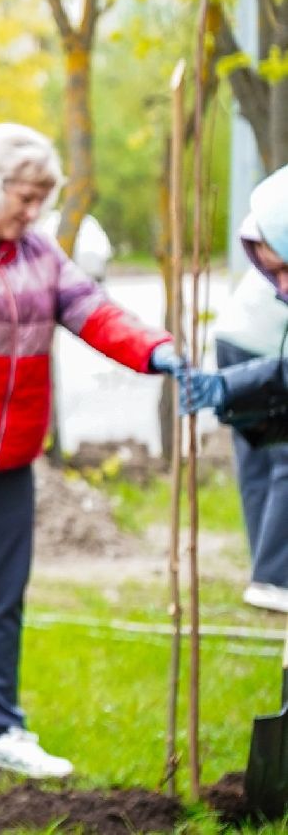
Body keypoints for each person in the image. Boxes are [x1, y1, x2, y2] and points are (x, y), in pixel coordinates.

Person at [0, 123, 181, 782]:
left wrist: (157, 351)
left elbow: (92, 309)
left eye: (40, 200)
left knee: (2, 597)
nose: (33, 213)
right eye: (25, 198)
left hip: (10, 458)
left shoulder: (36, 253)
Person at [180, 164, 288, 612]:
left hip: (246, 342)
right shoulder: (275, 219)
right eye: (273, 275)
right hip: (255, 343)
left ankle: (270, 573)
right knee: (274, 456)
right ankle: (273, 575)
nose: (280, 289)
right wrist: (231, 386)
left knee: (272, 460)